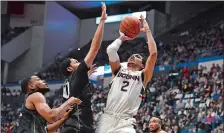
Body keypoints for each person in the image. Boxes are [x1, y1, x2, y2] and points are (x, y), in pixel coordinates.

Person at [95, 15, 158, 133]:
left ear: (143, 65)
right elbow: (111, 50)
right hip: (107, 118)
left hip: (125, 121)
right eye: (131, 56)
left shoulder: (143, 76)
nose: (132, 58)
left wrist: (148, 32)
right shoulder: (118, 70)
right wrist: (122, 38)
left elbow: (153, 53)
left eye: (137, 57)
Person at [59, 2, 107, 133]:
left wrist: (86, 76)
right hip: (79, 127)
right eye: (75, 62)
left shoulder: (69, 82)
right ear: (70, 69)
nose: (79, 62)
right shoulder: (78, 73)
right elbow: (95, 47)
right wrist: (102, 21)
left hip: (70, 127)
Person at [14, 75, 81, 133]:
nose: (44, 81)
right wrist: (69, 101)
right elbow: (51, 116)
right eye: (39, 79)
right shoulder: (35, 95)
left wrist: (62, 119)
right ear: (32, 86)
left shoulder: (30, 107)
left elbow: (46, 130)